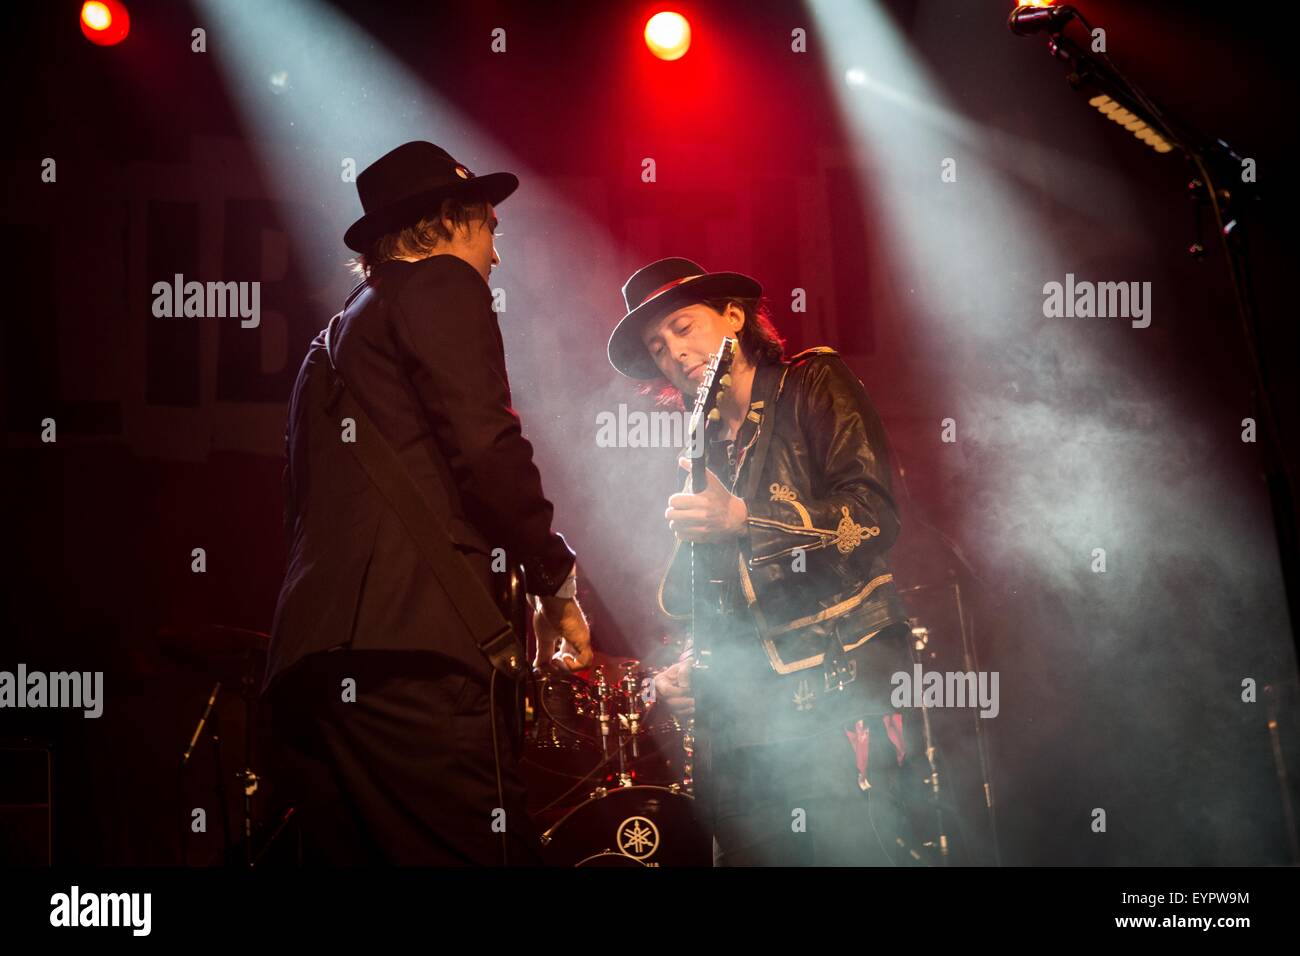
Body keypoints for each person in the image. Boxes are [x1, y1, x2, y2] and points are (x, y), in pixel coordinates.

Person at [261, 141, 592, 865]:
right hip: (416, 650)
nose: (496, 258)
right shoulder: (442, 284)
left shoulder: (333, 341)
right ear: (448, 220)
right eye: (490, 230)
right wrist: (554, 577)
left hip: (322, 663)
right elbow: (487, 449)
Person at [607, 257, 923, 866]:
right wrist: (691, 666)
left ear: (734, 316)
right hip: (746, 712)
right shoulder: (702, 448)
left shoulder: (812, 381)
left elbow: (874, 515)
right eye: (657, 345)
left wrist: (744, 520)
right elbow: (721, 594)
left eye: (683, 326)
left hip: (839, 676)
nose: (673, 350)